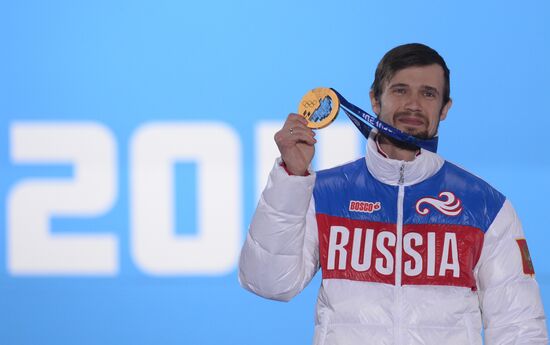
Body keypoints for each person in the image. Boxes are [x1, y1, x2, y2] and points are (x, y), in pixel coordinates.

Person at [238, 43, 548, 344]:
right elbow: (269, 282)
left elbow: (518, 327)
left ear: (445, 108)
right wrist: (291, 177)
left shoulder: (484, 205)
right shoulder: (323, 193)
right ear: (374, 99)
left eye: (428, 93)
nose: (413, 103)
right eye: (400, 90)